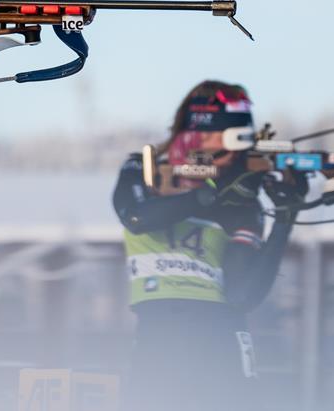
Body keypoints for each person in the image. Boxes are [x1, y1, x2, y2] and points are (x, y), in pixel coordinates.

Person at [112, 80, 302, 411]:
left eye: (242, 141)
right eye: (226, 139)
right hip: (159, 341)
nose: (233, 155)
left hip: (222, 343)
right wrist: (209, 192)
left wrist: (286, 218)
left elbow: (242, 295)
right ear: (194, 134)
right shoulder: (145, 170)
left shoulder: (242, 200)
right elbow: (138, 217)